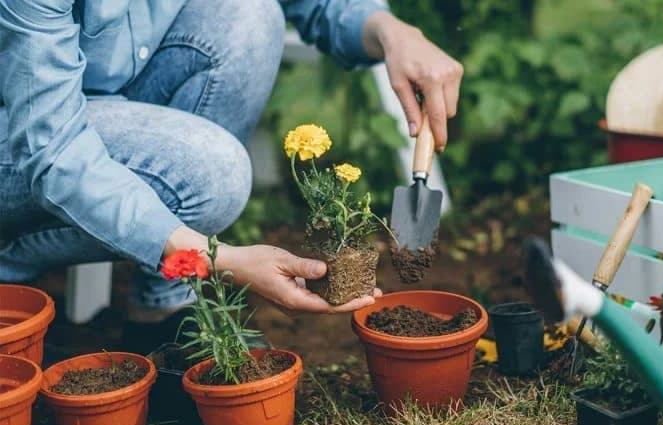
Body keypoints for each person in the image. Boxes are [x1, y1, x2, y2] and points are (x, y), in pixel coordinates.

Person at [0, 0, 463, 352]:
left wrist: (391, 31)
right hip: (26, 136)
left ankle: (165, 312)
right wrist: (217, 259)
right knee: (213, 174)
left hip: (102, 103)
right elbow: (52, 150)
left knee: (250, 14)